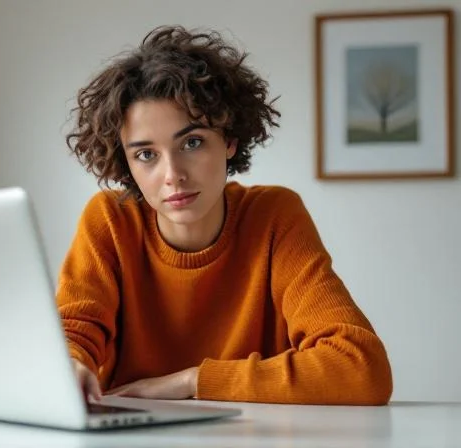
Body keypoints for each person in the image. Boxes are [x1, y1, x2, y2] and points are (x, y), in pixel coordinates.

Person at [57, 25, 392, 405]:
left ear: (229, 140)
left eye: (192, 142)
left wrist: (193, 381)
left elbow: (362, 369)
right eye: (146, 154)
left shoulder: (273, 217)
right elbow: (72, 335)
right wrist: (67, 363)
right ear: (127, 164)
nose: (173, 176)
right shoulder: (109, 221)